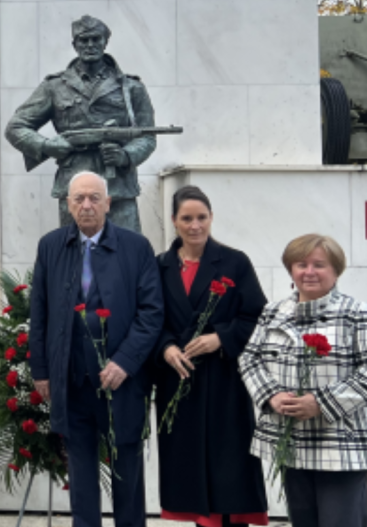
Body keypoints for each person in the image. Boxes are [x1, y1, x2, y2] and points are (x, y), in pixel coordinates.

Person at [29, 171, 163, 527]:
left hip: (122, 382)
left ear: (108, 203)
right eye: (79, 198)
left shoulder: (136, 247)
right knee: (81, 474)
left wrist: (125, 362)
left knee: (127, 471)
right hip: (72, 381)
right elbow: (39, 312)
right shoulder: (50, 246)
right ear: (68, 204)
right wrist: (41, 370)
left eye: (94, 198)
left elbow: (152, 313)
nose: (86, 205)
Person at [239, 235, 367, 527]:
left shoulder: (357, 312)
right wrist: (271, 395)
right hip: (290, 439)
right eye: (301, 264)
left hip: (341, 442)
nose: (309, 272)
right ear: (291, 270)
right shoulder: (273, 312)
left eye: (319, 265)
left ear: (336, 270)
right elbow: (250, 359)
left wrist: (321, 403)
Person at [154, 186, 268, 527]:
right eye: (187, 218)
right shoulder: (159, 266)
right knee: (189, 470)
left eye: (201, 217)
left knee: (228, 470)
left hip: (224, 383)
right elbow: (148, 317)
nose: (195, 226)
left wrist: (221, 338)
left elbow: (258, 316)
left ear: (212, 218)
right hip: (179, 381)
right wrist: (166, 346)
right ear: (174, 221)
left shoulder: (235, 262)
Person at [4, 15, 160, 233]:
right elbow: (15, 127)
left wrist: (125, 156)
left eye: (96, 39)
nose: (90, 45)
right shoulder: (54, 86)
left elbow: (147, 136)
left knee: (127, 251)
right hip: (74, 191)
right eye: (83, 40)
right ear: (74, 44)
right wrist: (46, 146)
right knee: (74, 252)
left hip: (118, 189)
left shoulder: (131, 87)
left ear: (105, 42)